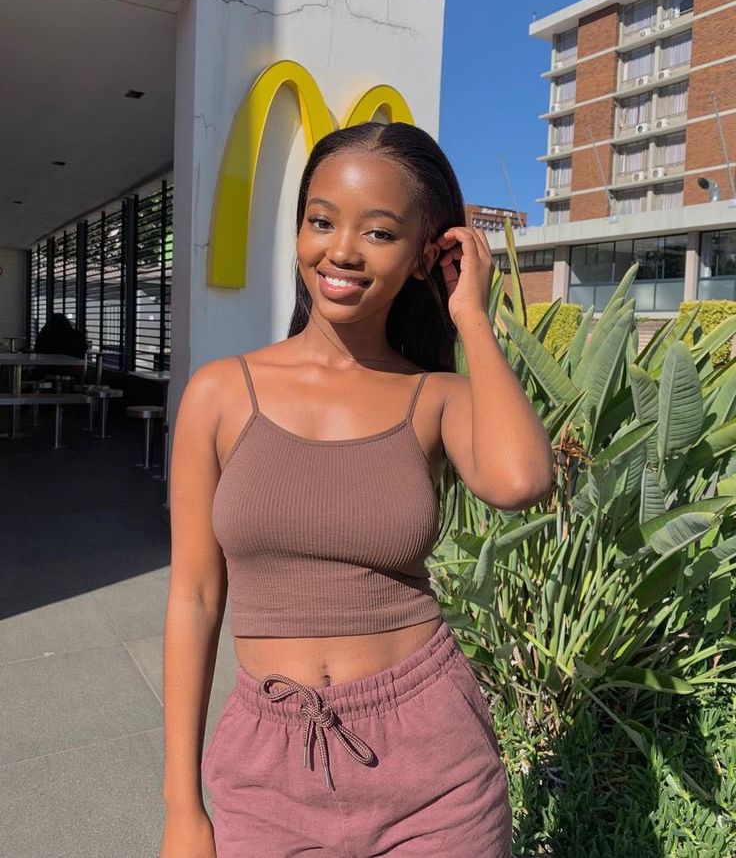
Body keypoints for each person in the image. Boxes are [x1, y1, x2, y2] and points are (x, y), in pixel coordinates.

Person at [160, 122, 554, 857]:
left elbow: (522, 478)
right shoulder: (220, 394)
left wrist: (470, 314)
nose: (340, 250)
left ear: (422, 257)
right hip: (268, 769)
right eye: (321, 220)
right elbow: (194, 596)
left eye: (379, 232)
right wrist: (183, 806)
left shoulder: (433, 396)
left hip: (432, 763)